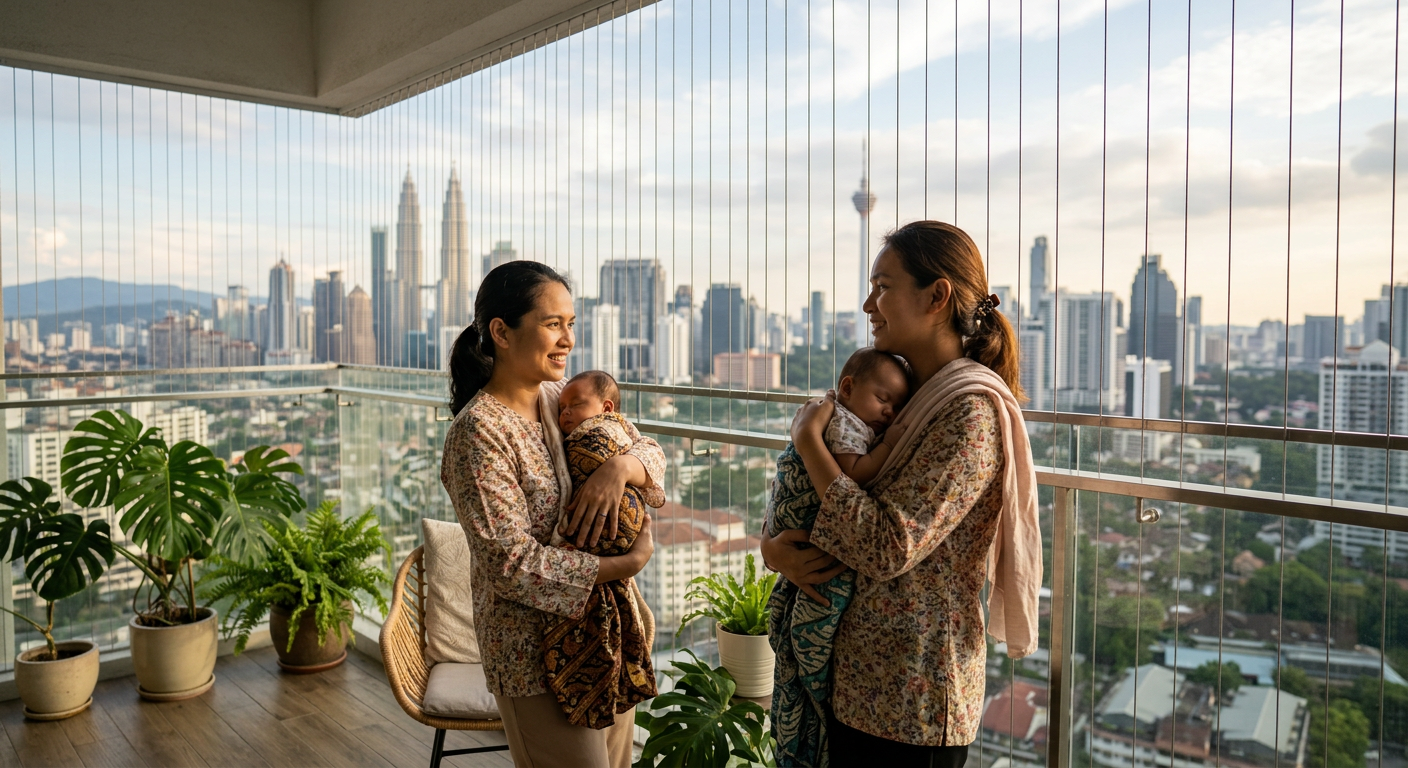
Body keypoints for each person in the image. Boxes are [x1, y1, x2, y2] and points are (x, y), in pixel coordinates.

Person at [761, 221, 1042, 768]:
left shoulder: (969, 413)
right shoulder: (908, 399)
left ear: (936, 296)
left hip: (911, 700)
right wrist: (774, 546)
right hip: (863, 681)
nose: (869, 303)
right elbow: (822, 499)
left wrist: (808, 441)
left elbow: (886, 547)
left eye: (883, 286)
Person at [441, 261, 663, 768]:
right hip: (533, 656)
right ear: (501, 332)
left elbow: (648, 450)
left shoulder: (558, 400)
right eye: (552, 324)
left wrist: (621, 468)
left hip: (605, 638)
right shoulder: (479, 433)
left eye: (571, 324)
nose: (567, 339)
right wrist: (620, 568)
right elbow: (509, 564)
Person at [767, 347, 913, 767]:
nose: (888, 413)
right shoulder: (843, 424)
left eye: (896, 407)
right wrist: (890, 446)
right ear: (848, 387)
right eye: (883, 400)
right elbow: (854, 474)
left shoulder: (830, 417)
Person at [542, 370, 659, 729]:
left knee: (617, 748)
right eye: (562, 409)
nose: (564, 415)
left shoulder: (604, 426)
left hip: (604, 555)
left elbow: (651, 449)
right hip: (588, 576)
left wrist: (619, 465)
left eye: (574, 406)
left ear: (606, 408)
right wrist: (631, 562)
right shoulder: (535, 406)